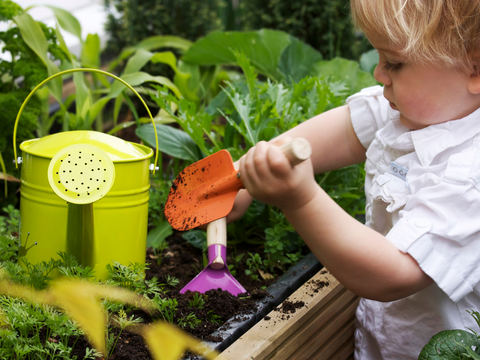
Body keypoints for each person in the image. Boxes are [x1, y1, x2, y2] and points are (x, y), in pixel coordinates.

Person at [226, 0, 480, 358]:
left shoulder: (470, 173)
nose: (379, 74)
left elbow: (394, 273)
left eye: (394, 62)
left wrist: (300, 199)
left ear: (475, 67)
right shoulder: (413, 110)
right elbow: (345, 133)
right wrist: (242, 174)